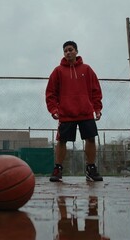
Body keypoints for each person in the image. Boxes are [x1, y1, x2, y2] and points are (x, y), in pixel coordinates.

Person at [46, 40, 103, 182]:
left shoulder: (87, 69)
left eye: (70, 49)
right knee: (62, 140)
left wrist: (97, 108)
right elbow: (51, 93)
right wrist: (53, 109)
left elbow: (96, 90)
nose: (68, 52)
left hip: (85, 112)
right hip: (66, 113)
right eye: (65, 51)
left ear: (76, 51)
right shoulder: (57, 71)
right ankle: (58, 169)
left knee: (90, 139)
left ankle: (91, 169)